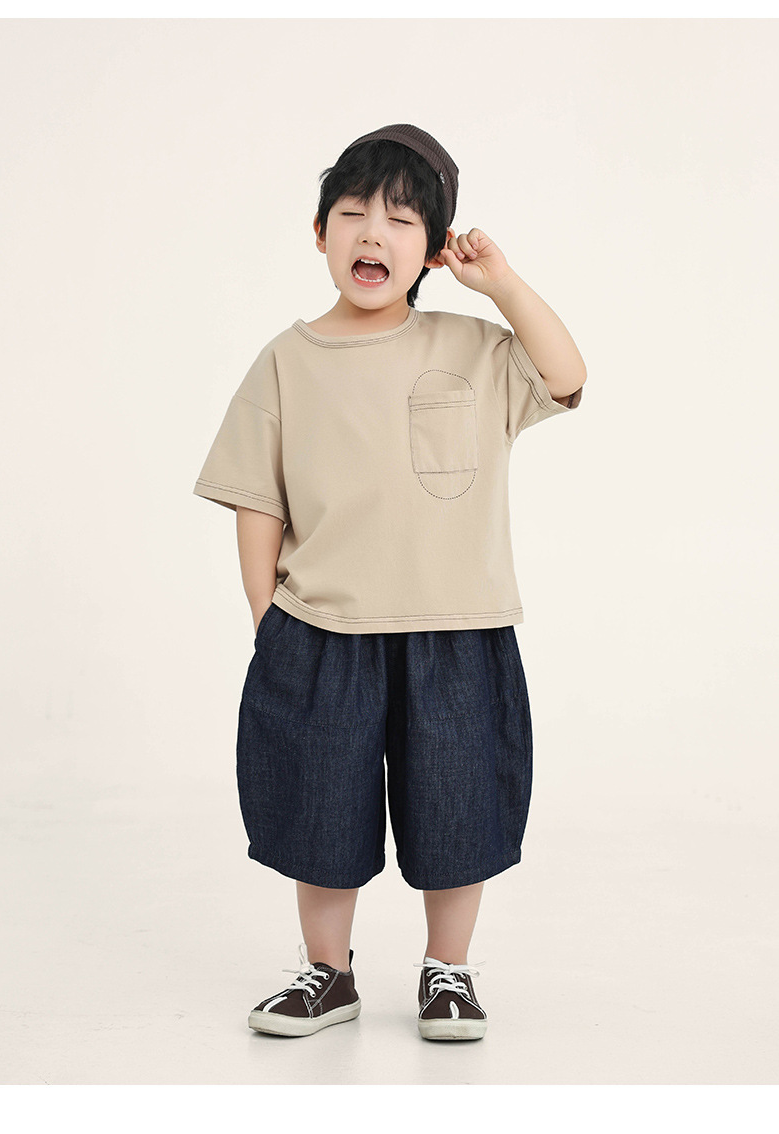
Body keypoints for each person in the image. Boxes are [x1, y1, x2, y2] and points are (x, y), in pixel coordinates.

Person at [193, 123, 586, 1042]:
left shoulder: (473, 346)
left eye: (403, 220)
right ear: (319, 234)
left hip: (458, 624)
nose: (374, 232)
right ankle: (327, 974)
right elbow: (257, 495)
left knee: (460, 803)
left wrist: (502, 284)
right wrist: (266, 616)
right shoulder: (287, 359)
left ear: (434, 249)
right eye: (353, 213)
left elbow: (567, 375)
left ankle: (448, 971)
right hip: (322, 627)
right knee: (318, 808)